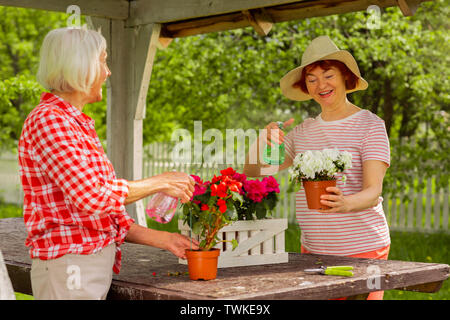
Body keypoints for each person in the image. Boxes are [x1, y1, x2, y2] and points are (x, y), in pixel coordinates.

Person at [18, 27, 199, 300]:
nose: (108, 72)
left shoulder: (76, 123)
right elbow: (91, 197)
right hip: (70, 267)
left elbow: (102, 214)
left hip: (80, 266)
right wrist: (159, 182)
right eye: (103, 61)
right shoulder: (50, 120)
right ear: (81, 66)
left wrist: (164, 239)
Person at [244, 35, 390, 300]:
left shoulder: (370, 125)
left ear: (345, 76)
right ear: (306, 87)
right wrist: (261, 141)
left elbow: (373, 190)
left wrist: (345, 203)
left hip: (362, 249)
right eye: (312, 79)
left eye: (328, 75)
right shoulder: (302, 132)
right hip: (313, 250)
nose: (321, 84)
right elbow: (256, 171)